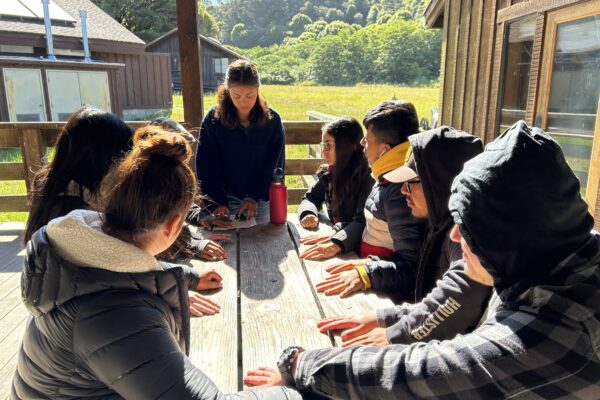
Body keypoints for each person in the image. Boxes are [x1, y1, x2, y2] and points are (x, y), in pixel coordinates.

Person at [244, 120, 600, 398]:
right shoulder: (548, 259)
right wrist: (387, 316)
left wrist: (300, 363)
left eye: (469, 226)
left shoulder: (560, 331)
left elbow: (422, 375)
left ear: (508, 232)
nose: (457, 236)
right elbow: (458, 287)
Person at [12, 129, 302, 399]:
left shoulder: (82, 249)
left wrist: (188, 277)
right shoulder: (119, 320)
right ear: (174, 224)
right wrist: (303, 384)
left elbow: (123, 271)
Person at [23, 108, 221, 317]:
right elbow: (115, 267)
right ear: (102, 157)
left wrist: (189, 269)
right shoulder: (69, 215)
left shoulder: (71, 198)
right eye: (122, 155)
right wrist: (169, 294)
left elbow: (131, 242)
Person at [316, 127, 492, 347]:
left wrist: (397, 335)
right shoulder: (438, 223)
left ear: (437, 184)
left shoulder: (462, 234)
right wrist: (382, 318)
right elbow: (432, 301)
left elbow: (459, 297)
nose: (403, 191)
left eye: (411, 182)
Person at [301, 101, 425, 301]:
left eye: (367, 140)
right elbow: (364, 222)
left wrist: (366, 273)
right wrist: (338, 234)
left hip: (386, 294)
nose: (362, 144)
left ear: (384, 150)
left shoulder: (399, 190)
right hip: (368, 268)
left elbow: (411, 268)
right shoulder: (384, 178)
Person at [196, 59, 285, 223]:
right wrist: (216, 202)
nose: (243, 101)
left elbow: (272, 165)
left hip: (262, 197)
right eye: (236, 95)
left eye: (250, 95)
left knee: (264, 240)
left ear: (258, 90)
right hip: (226, 197)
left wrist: (253, 196)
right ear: (227, 91)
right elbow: (206, 164)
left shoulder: (272, 121)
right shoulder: (213, 120)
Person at [297, 117, 374, 239]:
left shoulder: (367, 178)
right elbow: (310, 198)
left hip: (356, 247)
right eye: (323, 145)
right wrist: (308, 213)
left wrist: (335, 234)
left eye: (328, 145)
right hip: (337, 239)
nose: (323, 151)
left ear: (347, 146)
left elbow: (362, 222)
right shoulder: (331, 173)